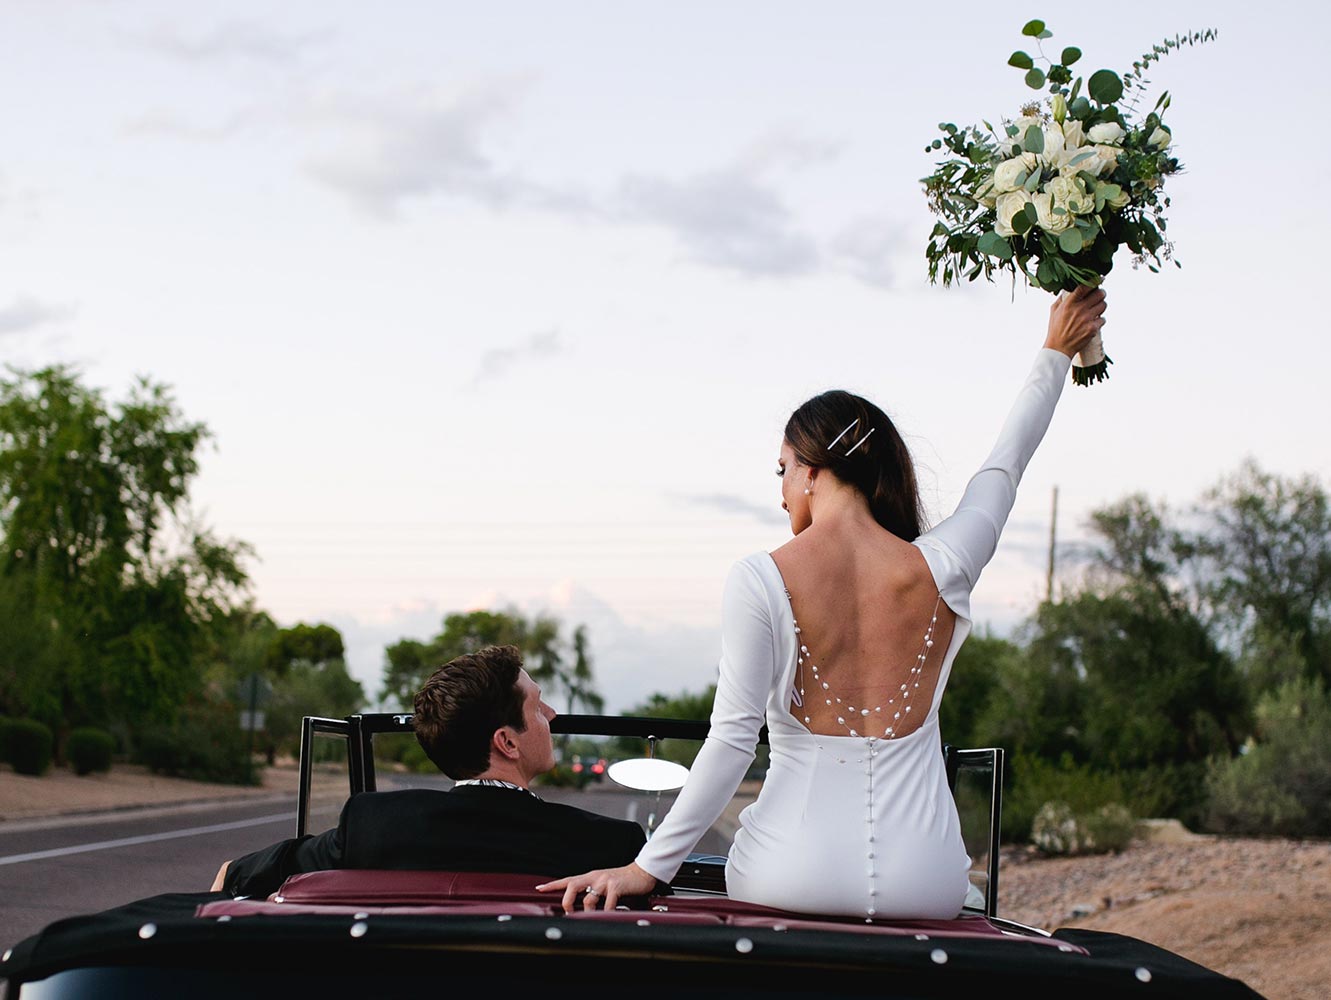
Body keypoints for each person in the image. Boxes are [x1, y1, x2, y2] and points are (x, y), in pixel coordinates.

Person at [537, 286, 1107, 918]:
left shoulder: (760, 577)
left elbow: (731, 741)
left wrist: (650, 866)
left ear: (811, 469)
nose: (781, 494)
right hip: (928, 878)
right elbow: (1006, 463)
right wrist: (1055, 350)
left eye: (781, 470)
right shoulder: (946, 563)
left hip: (791, 871)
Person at [211, 644, 648, 899]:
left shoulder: (373, 825)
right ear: (507, 742)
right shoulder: (610, 845)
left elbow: (230, 876)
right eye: (536, 706)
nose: (551, 714)